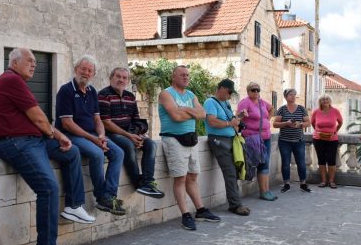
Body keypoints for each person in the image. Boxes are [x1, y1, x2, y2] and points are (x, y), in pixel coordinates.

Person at [0, 48, 94, 245]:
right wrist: (59, 135)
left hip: (32, 140)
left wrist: (56, 136)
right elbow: (37, 116)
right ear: (14, 62)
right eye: (29, 61)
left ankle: (74, 205)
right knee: (48, 187)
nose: (34, 65)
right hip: (14, 141)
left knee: (71, 152)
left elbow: (37, 118)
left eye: (35, 62)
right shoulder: (11, 80)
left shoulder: (17, 82)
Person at [56, 56, 126, 216]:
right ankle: (101, 197)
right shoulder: (66, 90)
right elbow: (67, 123)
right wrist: (93, 139)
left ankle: (109, 196)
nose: (86, 73)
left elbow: (97, 119)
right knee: (97, 153)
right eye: (83, 69)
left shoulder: (92, 91)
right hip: (70, 135)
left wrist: (101, 135)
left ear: (94, 74)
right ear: (76, 69)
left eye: (90, 70)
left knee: (118, 153)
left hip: (93, 134)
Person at [158, 65, 220, 230]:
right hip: (173, 139)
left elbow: (203, 114)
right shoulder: (166, 94)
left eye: (187, 75)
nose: (186, 77)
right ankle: (185, 214)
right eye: (182, 75)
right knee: (180, 178)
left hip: (191, 139)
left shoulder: (191, 95)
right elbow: (176, 116)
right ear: (174, 77)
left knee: (192, 176)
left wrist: (184, 108)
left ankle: (200, 210)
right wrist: (192, 112)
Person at [98, 67, 164, 198]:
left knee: (151, 144)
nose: (121, 80)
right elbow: (105, 122)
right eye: (118, 76)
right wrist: (129, 136)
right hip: (110, 134)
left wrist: (137, 135)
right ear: (111, 78)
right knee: (128, 145)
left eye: (124, 78)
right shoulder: (103, 95)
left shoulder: (130, 96)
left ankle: (148, 182)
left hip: (129, 133)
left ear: (128, 81)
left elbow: (136, 119)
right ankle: (137, 183)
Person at [203, 79, 250, 215]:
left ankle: (235, 202)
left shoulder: (226, 103)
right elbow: (212, 122)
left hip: (230, 140)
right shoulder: (210, 102)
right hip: (218, 140)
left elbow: (231, 120)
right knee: (230, 172)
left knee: (235, 171)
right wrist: (230, 124)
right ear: (222, 88)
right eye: (229, 92)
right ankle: (235, 205)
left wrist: (240, 116)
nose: (229, 96)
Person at [238, 82, 277, 200]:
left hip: (266, 137)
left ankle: (267, 190)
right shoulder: (245, 102)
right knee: (261, 163)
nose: (256, 92)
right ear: (248, 91)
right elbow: (238, 117)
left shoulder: (262, 102)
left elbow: (272, 109)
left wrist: (267, 119)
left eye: (258, 90)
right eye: (253, 90)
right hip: (253, 137)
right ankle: (263, 191)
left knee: (265, 163)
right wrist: (242, 114)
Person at [273, 88, 311, 193]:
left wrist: (300, 124)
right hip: (284, 141)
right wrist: (286, 123)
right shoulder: (282, 109)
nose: (293, 96)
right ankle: (286, 184)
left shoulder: (301, 109)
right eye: (290, 94)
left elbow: (308, 123)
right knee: (285, 163)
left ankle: (303, 184)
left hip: (299, 141)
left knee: (301, 163)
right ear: (285, 97)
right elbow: (275, 124)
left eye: (294, 94)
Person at [311, 94, 343, 188]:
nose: (325, 101)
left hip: (332, 139)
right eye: (323, 99)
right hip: (318, 139)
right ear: (320, 102)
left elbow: (340, 122)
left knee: (331, 160)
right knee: (321, 160)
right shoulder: (316, 112)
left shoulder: (335, 111)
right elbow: (313, 123)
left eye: (327, 99)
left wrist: (335, 131)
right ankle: (324, 181)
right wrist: (318, 131)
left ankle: (331, 181)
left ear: (330, 101)